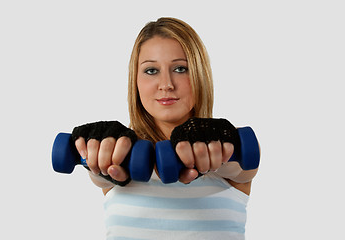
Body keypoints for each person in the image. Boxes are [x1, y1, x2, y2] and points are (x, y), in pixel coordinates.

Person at [73, 17, 259, 240]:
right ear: (136, 81)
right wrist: (100, 157)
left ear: (199, 75)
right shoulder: (120, 153)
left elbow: (241, 166)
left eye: (180, 68)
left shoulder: (228, 146)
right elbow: (101, 177)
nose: (166, 84)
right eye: (151, 70)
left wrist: (216, 145)